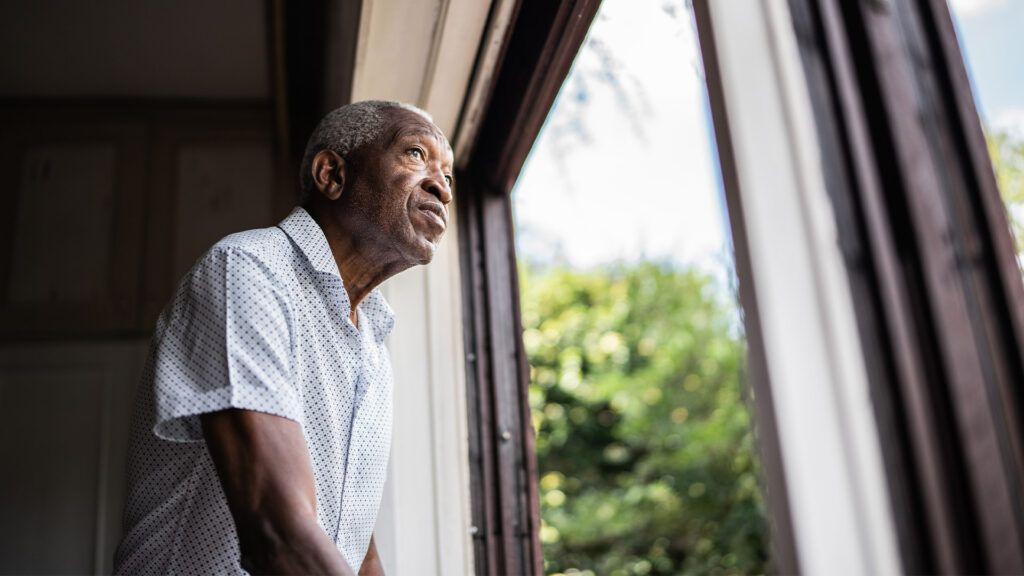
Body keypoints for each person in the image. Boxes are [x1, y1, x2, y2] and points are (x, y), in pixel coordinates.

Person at [113, 100, 454, 575]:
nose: (442, 187)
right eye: (417, 154)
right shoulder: (249, 269)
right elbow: (276, 532)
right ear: (331, 174)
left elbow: (354, 544)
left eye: (449, 176)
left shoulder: (375, 337)